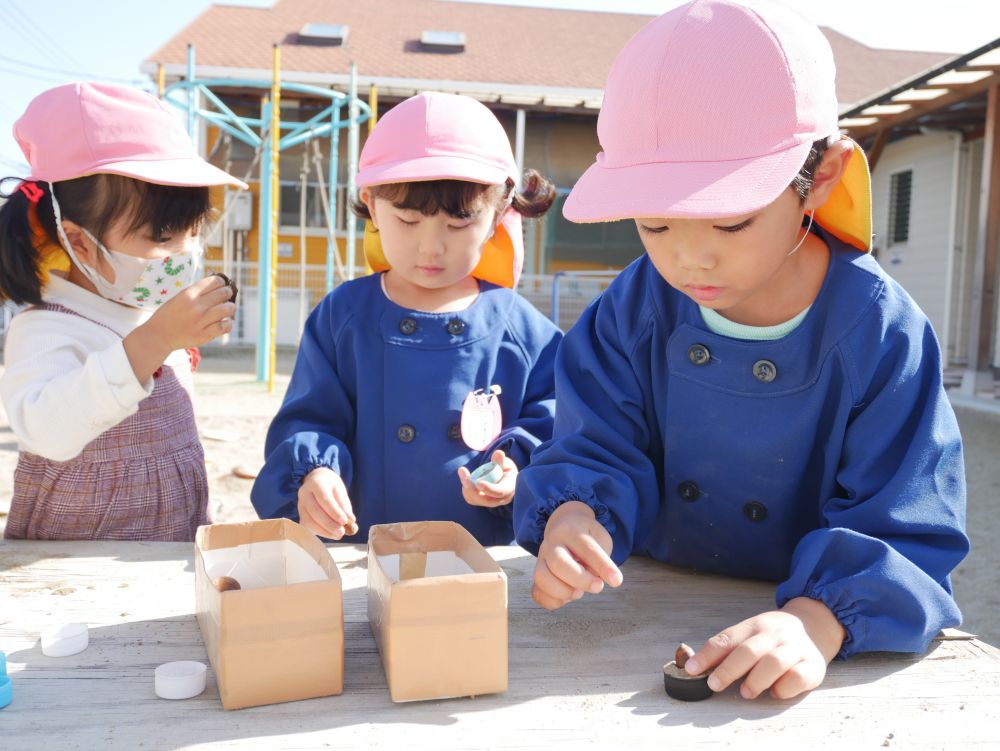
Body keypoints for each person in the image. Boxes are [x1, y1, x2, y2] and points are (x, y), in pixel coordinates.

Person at [513, 0, 969, 700]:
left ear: (819, 177)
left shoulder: (882, 334)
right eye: (655, 222)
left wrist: (821, 620)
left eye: (731, 219)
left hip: (806, 636)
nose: (688, 258)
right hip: (643, 605)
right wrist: (576, 517)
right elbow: (591, 443)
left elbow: (908, 523)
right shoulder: (630, 310)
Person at [252, 92, 562, 545]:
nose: (431, 248)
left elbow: (557, 427)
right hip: (361, 556)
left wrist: (519, 470)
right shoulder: (343, 318)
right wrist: (314, 474)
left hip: (481, 565)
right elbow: (309, 419)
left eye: (458, 225)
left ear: (497, 214)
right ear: (372, 204)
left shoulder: (525, 330)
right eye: (408, 221)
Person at [0, 82, 245, 540]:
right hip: (77, 565)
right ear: (79, 242)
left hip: (172, 536)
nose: (186, 253)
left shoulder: (143, 306)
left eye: (193, 233)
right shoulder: (46, 327)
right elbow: (45, 431)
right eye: (162, 237)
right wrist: (155, 340)